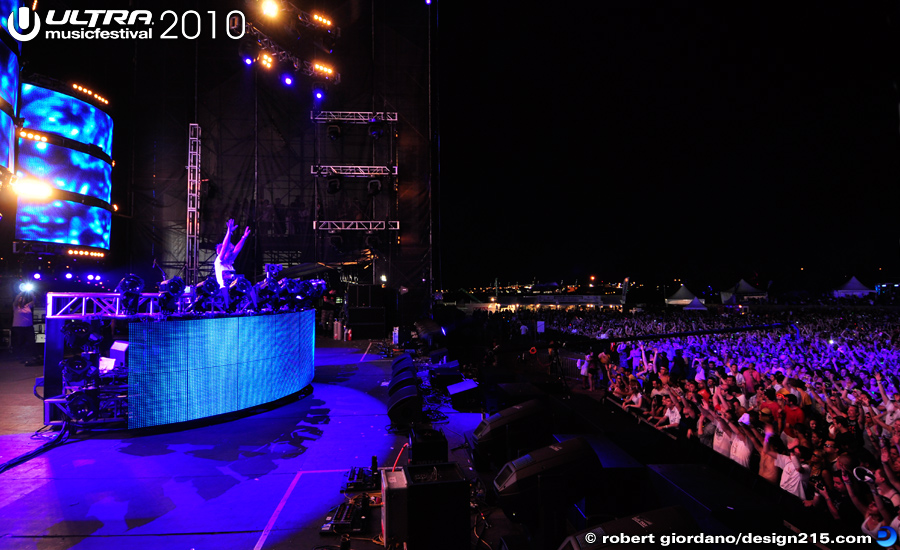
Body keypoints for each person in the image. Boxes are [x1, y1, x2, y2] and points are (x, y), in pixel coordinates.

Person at [215, 219, 251, 288]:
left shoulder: (229, 262)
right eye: (230, 251)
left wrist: (244, 237)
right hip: (224, 290)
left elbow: (237, 249)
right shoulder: (219, 261)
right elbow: (225, 247)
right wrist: (228, 232)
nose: (232, 253)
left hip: (233, 290)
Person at [11, 291, 35, 360]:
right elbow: (16, 300)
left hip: (28, 327)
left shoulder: (27, 306)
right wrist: (21, 293)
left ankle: (33, 355)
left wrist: (31, 293)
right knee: (19, 342)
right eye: (20, 298)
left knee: (31, 341)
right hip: (18, 327)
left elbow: (34, 300)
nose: (21, 299)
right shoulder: (16, 306)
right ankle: (19, 356)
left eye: (22, 298)